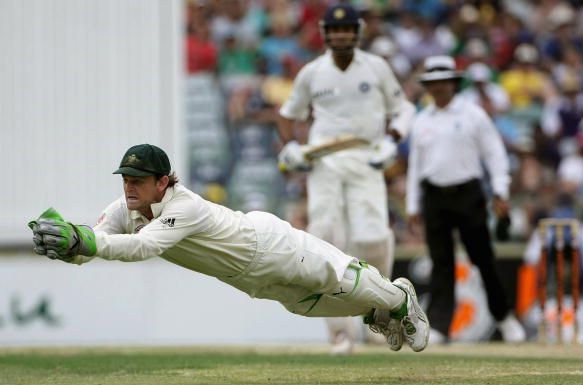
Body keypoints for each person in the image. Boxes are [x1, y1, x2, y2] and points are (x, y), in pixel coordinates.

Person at [28, 143, 429, 353]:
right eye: (125, 178)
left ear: (163, 182)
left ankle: (398, 298)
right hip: (246, 277)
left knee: (334, 275)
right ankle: (379, 309)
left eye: (138, 178)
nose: (129, 186)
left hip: (268, 245)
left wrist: (84, 240)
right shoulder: (124, 208)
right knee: (309, 303)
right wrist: (68, 246)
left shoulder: (184, 205)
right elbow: (93, 243)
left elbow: (141, 248)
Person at [275, 3, 416, 354]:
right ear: (325, 33)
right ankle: (339, 332)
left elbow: (404, 109)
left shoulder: (376, 67)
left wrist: (391, 141)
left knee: (372, 239)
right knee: (325, 240)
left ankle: (380, 311)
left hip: (367, 158)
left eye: (347, 30)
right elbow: (287, 115)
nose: (340, 35)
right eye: (335, 30)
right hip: (324, 163)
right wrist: (291, 146)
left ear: (358, 33)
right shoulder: (312, 72)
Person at [406, 55, 526, 344]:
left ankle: (504, 317)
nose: (438, 88)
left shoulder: (473, 115)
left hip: (467, 193)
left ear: (453, 83)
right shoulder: (422, 120)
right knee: (441, 262)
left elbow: (495, 155)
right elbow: (415, 166)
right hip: (434, 196)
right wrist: (413, 205)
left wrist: (500, 191)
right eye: (432, 83)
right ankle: (439, 326)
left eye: (443, 82)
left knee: (483, 258)